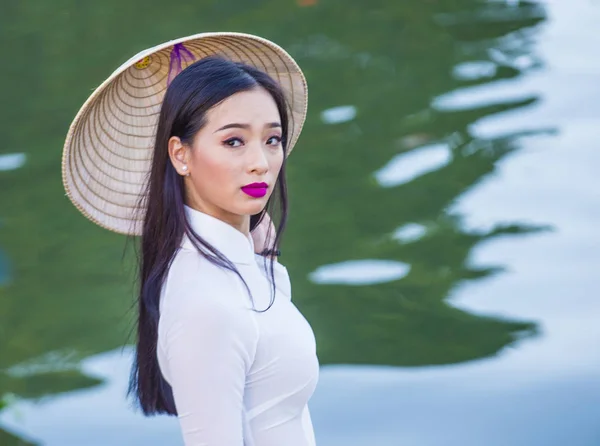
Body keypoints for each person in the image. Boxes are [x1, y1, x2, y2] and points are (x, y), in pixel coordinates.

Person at [61, 33, 319, 445]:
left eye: (271, 139)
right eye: (234, 141)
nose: (260, 163)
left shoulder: (239, 263)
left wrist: (264, 255)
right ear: (180, 154)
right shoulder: (206, 302)